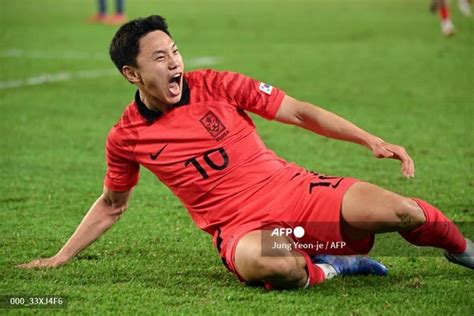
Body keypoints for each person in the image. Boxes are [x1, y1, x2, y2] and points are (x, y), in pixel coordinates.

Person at [18, 15, 473, 290]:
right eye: (159, 58)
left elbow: (298, 112)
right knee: (273, 263)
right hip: (245, 231)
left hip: (299, 195)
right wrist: (62, 256)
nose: (174, 62)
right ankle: (334, 265)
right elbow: (112, 205)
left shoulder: (217, 84)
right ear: (131, 74)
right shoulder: (126, 137)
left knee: (405, 212)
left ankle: (462, 249)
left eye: (174, 51)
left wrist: (369, 139)